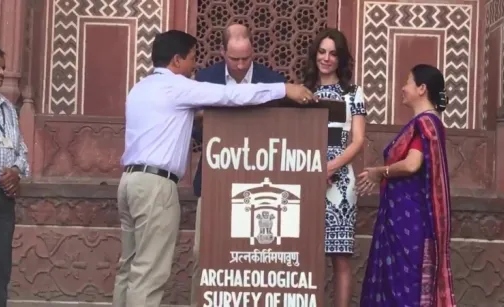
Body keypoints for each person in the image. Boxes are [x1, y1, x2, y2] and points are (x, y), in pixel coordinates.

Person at [112, 30, 316, 307]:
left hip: (129, 183)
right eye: (192, 58)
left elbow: (174, 117)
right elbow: (229, 95)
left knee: (130, 266)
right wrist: (283, 88)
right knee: (149, 273)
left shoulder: (141, 88)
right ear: (176, 60)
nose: (194, 65)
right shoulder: (178, 87)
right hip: (155, 188)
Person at [189, 23, 286, 306]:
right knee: (203, 253)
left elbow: (283, 130)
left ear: (253, 50)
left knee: (251, 254)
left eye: (246, 58)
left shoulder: (272, 81)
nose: (241, 65)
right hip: (214, 180)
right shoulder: (205, 79)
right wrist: (205, 121)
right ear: (222, 52)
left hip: (258, 183)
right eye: (234, 59)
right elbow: (192, 132)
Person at [357, 64, 456, 306]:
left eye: (408, 82)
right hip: (403, 217)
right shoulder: (425, 123)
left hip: (410, 220)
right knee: (398, 285)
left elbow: (412, 165)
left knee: (404, 287)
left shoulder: (426, 124)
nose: (403, 88)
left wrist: (380, 172)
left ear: (421, 89)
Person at [302, 28, 366, 307]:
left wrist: (329, 167)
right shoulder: (304, 92)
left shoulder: (353, 93)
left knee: (340, 255)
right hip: (305, 175)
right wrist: (312, 170)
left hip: (339, 183)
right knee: (305, 252)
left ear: (341, 59)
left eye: (333, 53)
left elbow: (358, 141)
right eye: (322, 52)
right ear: (315, 54)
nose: (326, 58)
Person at [0, 46, 29, 307]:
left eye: (3, 67)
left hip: (4, 196)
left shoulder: (8, 108)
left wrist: (15, 171)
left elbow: (20, 149)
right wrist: (1, 175)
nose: (2, 72)